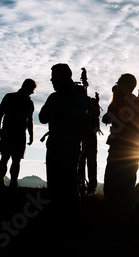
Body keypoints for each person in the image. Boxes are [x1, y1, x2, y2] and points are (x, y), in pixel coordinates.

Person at [39, 64, 89, 210]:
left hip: (69, 147)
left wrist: (60, 105)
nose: (51, 80)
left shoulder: (77, 96)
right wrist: (51, 105)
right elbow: (42, 118)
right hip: (54, 145)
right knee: (54, 185)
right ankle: (59, 218)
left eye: (54, 76)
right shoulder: (54, 97)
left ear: (63, 76)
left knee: (69, 186)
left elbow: (80, 116)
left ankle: (71, 220)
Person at [102, 73, 139, 209]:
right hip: (134, 149)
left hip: (118, 149)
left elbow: (105, 119)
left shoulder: (119, 102)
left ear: (124, 84)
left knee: (111, 188)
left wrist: (115, 98)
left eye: (119, 82)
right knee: (127, 188)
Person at [0, 79, 37, 188]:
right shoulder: (10, 97)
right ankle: (1, 181)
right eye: (31, 89)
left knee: (16, 159)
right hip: (8, 131)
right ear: (25, 86)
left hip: (19, 133)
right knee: (5, 157)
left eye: (33, 90)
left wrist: (31, 135)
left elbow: (30, 121)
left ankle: (13, 182)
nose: (32, 91)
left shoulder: (29, 103)